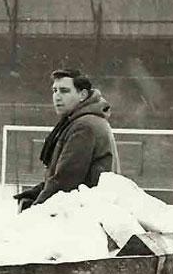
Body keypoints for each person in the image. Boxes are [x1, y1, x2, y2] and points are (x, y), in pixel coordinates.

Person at [13, 68, 118, 210]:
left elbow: (66, 180)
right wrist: (39, 191)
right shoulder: (80, 122)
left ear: (82, 95)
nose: (57, 96)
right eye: (54, 91)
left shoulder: (84, 126)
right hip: (84, 208)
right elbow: (65, 176)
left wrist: (35, 210)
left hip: (83, 214)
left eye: (64, 91)